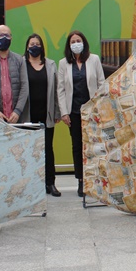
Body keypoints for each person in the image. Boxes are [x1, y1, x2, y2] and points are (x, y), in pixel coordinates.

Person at [57, 30, 105, 197]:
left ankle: (95, 179)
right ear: (69, 46)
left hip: (91, 112)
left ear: (83, 42)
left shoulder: (94, 60)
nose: (75, 43)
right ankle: (81, 181)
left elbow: (101, 84)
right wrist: (64, 113)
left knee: (92, 146)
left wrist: (99, 108)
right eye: (72, 41)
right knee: (77, 147)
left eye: (78, 40)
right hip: (74, 112)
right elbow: (61, 89)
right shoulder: (63, 63)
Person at [22, 34, 62, 197]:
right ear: (27, 47)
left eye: (37, 44)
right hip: (27, 115)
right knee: (30, 151)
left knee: (48, 149)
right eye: (32, 44)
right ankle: (33, 184)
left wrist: (58, 111)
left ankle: (50, 183)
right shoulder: (21, 64)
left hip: (46, 114)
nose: (35, 46)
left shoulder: (50, 64)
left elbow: (57, 90)